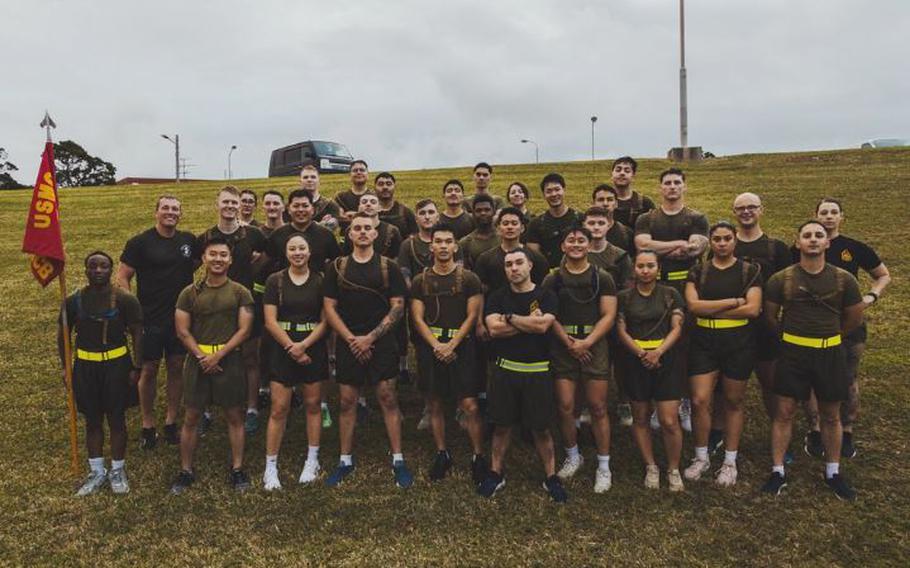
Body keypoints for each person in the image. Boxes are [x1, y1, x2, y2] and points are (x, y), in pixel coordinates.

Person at [761, 221, 864, 500]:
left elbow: (854, 317)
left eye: (819, 235)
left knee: (831, 415)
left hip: (828, 352)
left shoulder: (844, 279)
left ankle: (833, 471)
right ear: (798, 243)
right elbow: (770, 317)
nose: (814, 240)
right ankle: (778, 470)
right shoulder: (781, 279)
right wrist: (790, 337)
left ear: (827, 242)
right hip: (792, 353)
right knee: (783, 412)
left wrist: (832, 336)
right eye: (807, 236)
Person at [322, 212, 414, 487]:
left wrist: (370, 338)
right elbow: (329, 307)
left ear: (376, 234)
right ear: (349, 234)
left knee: (387, 397)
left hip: (382, 342)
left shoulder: (389, 267)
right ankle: (345, 459)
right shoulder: (337, 267)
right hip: (348, 341)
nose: (362, 232)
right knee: (348, 401)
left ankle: (398, 458)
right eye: (357, 228)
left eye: (367, 228)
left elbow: (398, 306)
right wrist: (352, 339)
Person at [801, 198, 891, 459]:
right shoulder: (804, 245)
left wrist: (871, 297)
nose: (828, 217)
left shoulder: (854, 247)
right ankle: (816, 430)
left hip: (849, 324)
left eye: (833, 212)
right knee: (811, 380)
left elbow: (882, 275)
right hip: (812, 323)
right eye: (823, 212)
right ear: (815, 215)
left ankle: (847, 430)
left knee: (847, 378)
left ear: (841, 216)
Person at [480, 249, 566, 502]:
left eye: (519, 263)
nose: (514, 268)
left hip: (538, 371)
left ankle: (550, 477)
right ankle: (496, 473)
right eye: (508, 264)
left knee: (541, 429)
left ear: (529, 265)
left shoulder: (547, 295)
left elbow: (543, 326)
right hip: (504, 370)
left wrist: (511, 319)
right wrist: (526, 322)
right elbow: (494, 330)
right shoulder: (497, 297)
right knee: (501, 426)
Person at [171, 236, 255, 494]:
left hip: (228, 361)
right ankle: (186, 470)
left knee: (234, 415)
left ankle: (238, 468)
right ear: (204, 259)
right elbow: (183, 331)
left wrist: (218, 356)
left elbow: (244, 330)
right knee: (192, 416)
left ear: (230, 260)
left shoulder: (240, 292)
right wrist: (201, 357)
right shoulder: (189, 292)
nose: (218, 259)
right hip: (198, 363)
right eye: (212, 255)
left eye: (223, 255)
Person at [682, 222, 762, 487]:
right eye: (716, 239)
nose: (722, 243)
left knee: (733, 401)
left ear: (735, 241)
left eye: (727, 238)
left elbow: (753, 310)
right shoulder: (699, 270)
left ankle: (729, 460)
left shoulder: (749, 270)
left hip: (739, 341)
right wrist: (732, 301)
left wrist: (712, 309)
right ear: (710, 242)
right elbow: (693, 306)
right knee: (699, 399)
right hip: (704, 340)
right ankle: (701, 456)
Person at [60, 252, 143, 496]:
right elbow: (62, 335)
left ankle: (118, 469)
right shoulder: (74, 301)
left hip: (117, 366)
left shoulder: (126, 300)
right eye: (93, 266)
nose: (98, 270)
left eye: (103, 266)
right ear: (85, 270)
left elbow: (138, 332)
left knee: (117, 419)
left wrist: (137, 367)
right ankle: (96, 470)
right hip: (85, 367)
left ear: (111, 269)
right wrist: (66, 367)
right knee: (93, 420)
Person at [410, 223, 488, 484]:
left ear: (456, 246)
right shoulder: (420, 280)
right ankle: (442, 452)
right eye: (438, 242)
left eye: (448, 242)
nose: (443, 246)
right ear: (430, 246)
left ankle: (478, 455)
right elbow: (418, 318)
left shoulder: (469, 278)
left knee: (469, 404)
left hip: (461, 347)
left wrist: (452, 345)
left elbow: (472, 316)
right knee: (434, 402)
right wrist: (436, 345)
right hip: (432, 346)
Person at [117, 195, 196, 449]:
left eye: (175, 209)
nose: (170, 212)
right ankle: (148, 425)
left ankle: (171, 421)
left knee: (176, 366)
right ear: (156, 212)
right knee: (149, 369)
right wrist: (132, 310)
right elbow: (123, 276)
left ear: (180, 214)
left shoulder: (188, 241)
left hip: (180, 317)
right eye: (165, 208)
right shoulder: (140, 243)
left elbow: (193, 266)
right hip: (149, 318)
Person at [543, 227, 617, 493]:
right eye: (570, 240)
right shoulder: (553, 279)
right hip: (564, 346)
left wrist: (587, 342)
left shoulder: (602, 277)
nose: (576, 244)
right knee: (565, 406)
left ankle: (604, 465)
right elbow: (548, 314)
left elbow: (608, 315)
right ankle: (573, 455)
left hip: (593, 345)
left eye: (581, 240)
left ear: (589, 245)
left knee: (598, 407)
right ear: (563, 246)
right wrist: (570, 343)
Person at [634, 168, 709, 432]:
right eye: (667, 182)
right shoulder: (648, 217)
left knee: (683, 344)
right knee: (656, 338)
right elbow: (642, 244)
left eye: (677, 182)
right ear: (660, 188)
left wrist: (660, 247)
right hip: (654, 282)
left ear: (684, 187)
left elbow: (695, 247)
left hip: (686, 283)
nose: (672, 187)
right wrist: (676, 244)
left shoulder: (696, 217)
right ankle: (659, 403)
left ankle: (684, 402)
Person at [195, 186, 268, 435]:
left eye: (234, 202)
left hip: (246, 302)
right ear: (217, 204)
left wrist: (256, 272)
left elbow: (268, 258)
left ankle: (251, 409)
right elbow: (192, 266)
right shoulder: (205, 237)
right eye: (225, 202)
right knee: (209, 353)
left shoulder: (254, 234)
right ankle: (204, 409)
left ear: (240, 206)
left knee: (250, 357)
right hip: (214, 304)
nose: (230, 206)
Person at [262, 234, 330, 490]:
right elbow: (270, 320)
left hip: (312, 347)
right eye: (292, 248)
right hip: (283, 347)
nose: (297, 252)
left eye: (302, 248)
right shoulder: (274, 281)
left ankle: (312, 460)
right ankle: (271, 466)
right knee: (279, 408)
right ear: (286, 253)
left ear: (309, 252)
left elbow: (326, 320)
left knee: (313, 404)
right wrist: (291, 346)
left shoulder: (321, 280)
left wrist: (304, 345)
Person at [615, 250, 686, 491]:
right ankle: (651, 466)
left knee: (668, 420)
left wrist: (658, 353)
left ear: (658, 268)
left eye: (650, 266)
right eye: (640, 266)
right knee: (641, 417)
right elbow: (621, 330)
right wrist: (641, 353)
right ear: (634, 269)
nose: (645, 270)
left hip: (666, 360)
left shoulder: (671, 294)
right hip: (636, 361)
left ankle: (674, 468)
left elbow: (677, 327)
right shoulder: (624, 297)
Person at [731, 192, 791, 451]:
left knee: (771, 384)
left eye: (751, 207)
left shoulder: (776, 248)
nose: (746, 212)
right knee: (727, 388)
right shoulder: (726, 244)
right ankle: (719, 434)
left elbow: (789, 288)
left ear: (761, 210)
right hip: (734, 327)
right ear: (734, 212)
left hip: (767, 327)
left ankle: (780, 435)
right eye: (740, 208)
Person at [582, 206, 634, 428]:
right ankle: (585, 403)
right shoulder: (578, 250)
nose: (595, 227)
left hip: (613, 316)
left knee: (620, 362)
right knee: (587, 360)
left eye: (600, 223)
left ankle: (623, 401)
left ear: (609, 225)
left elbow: (629, 286)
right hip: (585, 317)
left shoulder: (619, 255)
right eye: (591, 223)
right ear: (584, 225)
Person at [474, 207, 549, 294]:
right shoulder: (485, 259)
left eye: (514, 223)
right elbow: (480, 291)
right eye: (505, 224)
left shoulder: (537, 258)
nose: (510, 227)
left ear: (522, 228)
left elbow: (542, 289)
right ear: (498, 229)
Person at [266, 190, 341, 274]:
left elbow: (336, 266)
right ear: (289, 209)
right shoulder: (277, 236)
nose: (300, 210)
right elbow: (268, 267)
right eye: (296, 206)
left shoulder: (326, 235)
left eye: (305, 206)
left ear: (312, 209)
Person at [527, 173, 581, 269]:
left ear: (564, 190)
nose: (554, 194)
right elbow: (534, 257)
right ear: (544, 194)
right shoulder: (535, 224)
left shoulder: (580, 219)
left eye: (557, 189)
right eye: (549, 191)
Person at [341, 192, 403, 259]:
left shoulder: (392, 231)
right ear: (359, 207)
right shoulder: (350, 230)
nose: (368, 204)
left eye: (373, 202)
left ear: (379, 207)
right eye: (364, 202)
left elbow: (398, 257)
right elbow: (346, 257)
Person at [610, 156, 655, 229]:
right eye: (618, 170)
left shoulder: (645, 203)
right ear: (612, 174)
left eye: (627, 171)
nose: (622, 173)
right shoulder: (602, 201)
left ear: (633, 175)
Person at [458, 194, 500, 270]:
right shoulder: (465, 243)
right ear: (473, 214)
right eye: (478, 210)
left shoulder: (504, 238)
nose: (483, 213)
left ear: (493, 212)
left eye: (487, 210)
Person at [592, 184, 635, 253]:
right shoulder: (584, 232)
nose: (605, 204)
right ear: (593, 203)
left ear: (616, 204)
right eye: (601, 200)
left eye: (609, 200)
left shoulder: (627, 234)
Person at [375, 171, 418, 238]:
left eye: (389, 184)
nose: (385, 187)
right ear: (375, 187)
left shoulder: (406, 212)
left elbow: (415, 236)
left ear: (394, 187)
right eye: (381, 184)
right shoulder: (369, 212)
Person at [300, 165, 341, 231]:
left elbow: (333, 226)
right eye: (305, 177)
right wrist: (320, 224)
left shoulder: (330, 205)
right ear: (300, 182)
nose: (309, 180)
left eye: (313, 177)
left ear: (319, 181)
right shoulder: (293, 206)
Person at [334, 159, 371, 232]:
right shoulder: (340, 197)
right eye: (355, 170)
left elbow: (378, 219)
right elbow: (338, 219)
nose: (359, 172)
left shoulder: (374, 197)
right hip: (346, 239)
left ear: (367, 174)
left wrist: (352, 215)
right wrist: (364, 214)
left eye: (362, 170)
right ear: (350, 174)